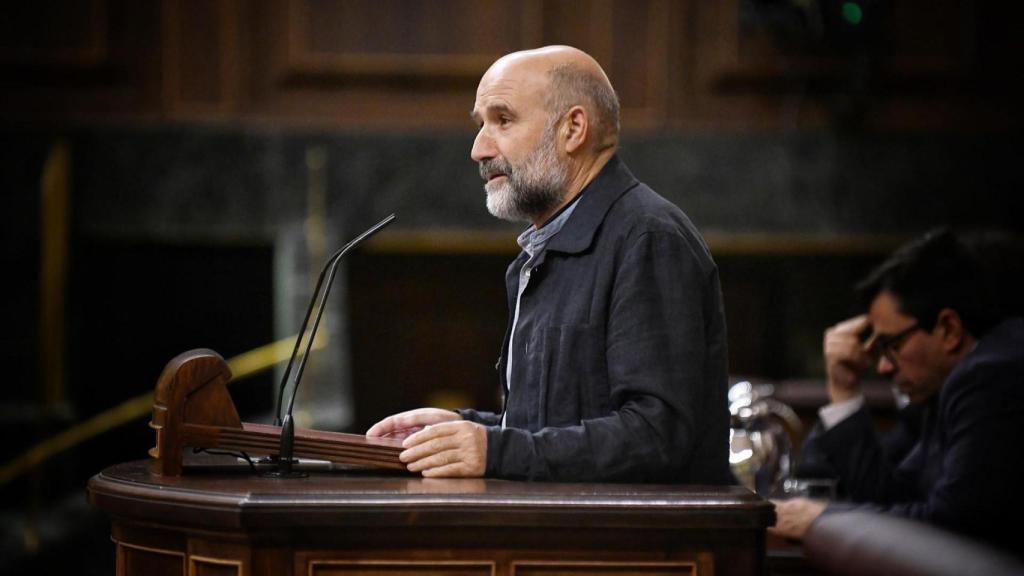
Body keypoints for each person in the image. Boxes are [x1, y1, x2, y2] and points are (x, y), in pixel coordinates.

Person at [366, 45, 731, 483]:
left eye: (502, 120)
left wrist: (495, 449)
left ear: (573, 128)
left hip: (642, 547)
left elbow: (658, 435)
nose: (479, 149)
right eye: (480, 124)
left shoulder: (649, 239)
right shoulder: (541, 252)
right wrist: (466, 430)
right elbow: (555, 426)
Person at [771, 229, 1024, 556]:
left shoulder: (989, 376)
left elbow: (952, 525)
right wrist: (844, 389)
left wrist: (824, 520)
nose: (884, 367)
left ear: (948, 329)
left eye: (892, 345)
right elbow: (889, 495)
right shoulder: (949, 385)